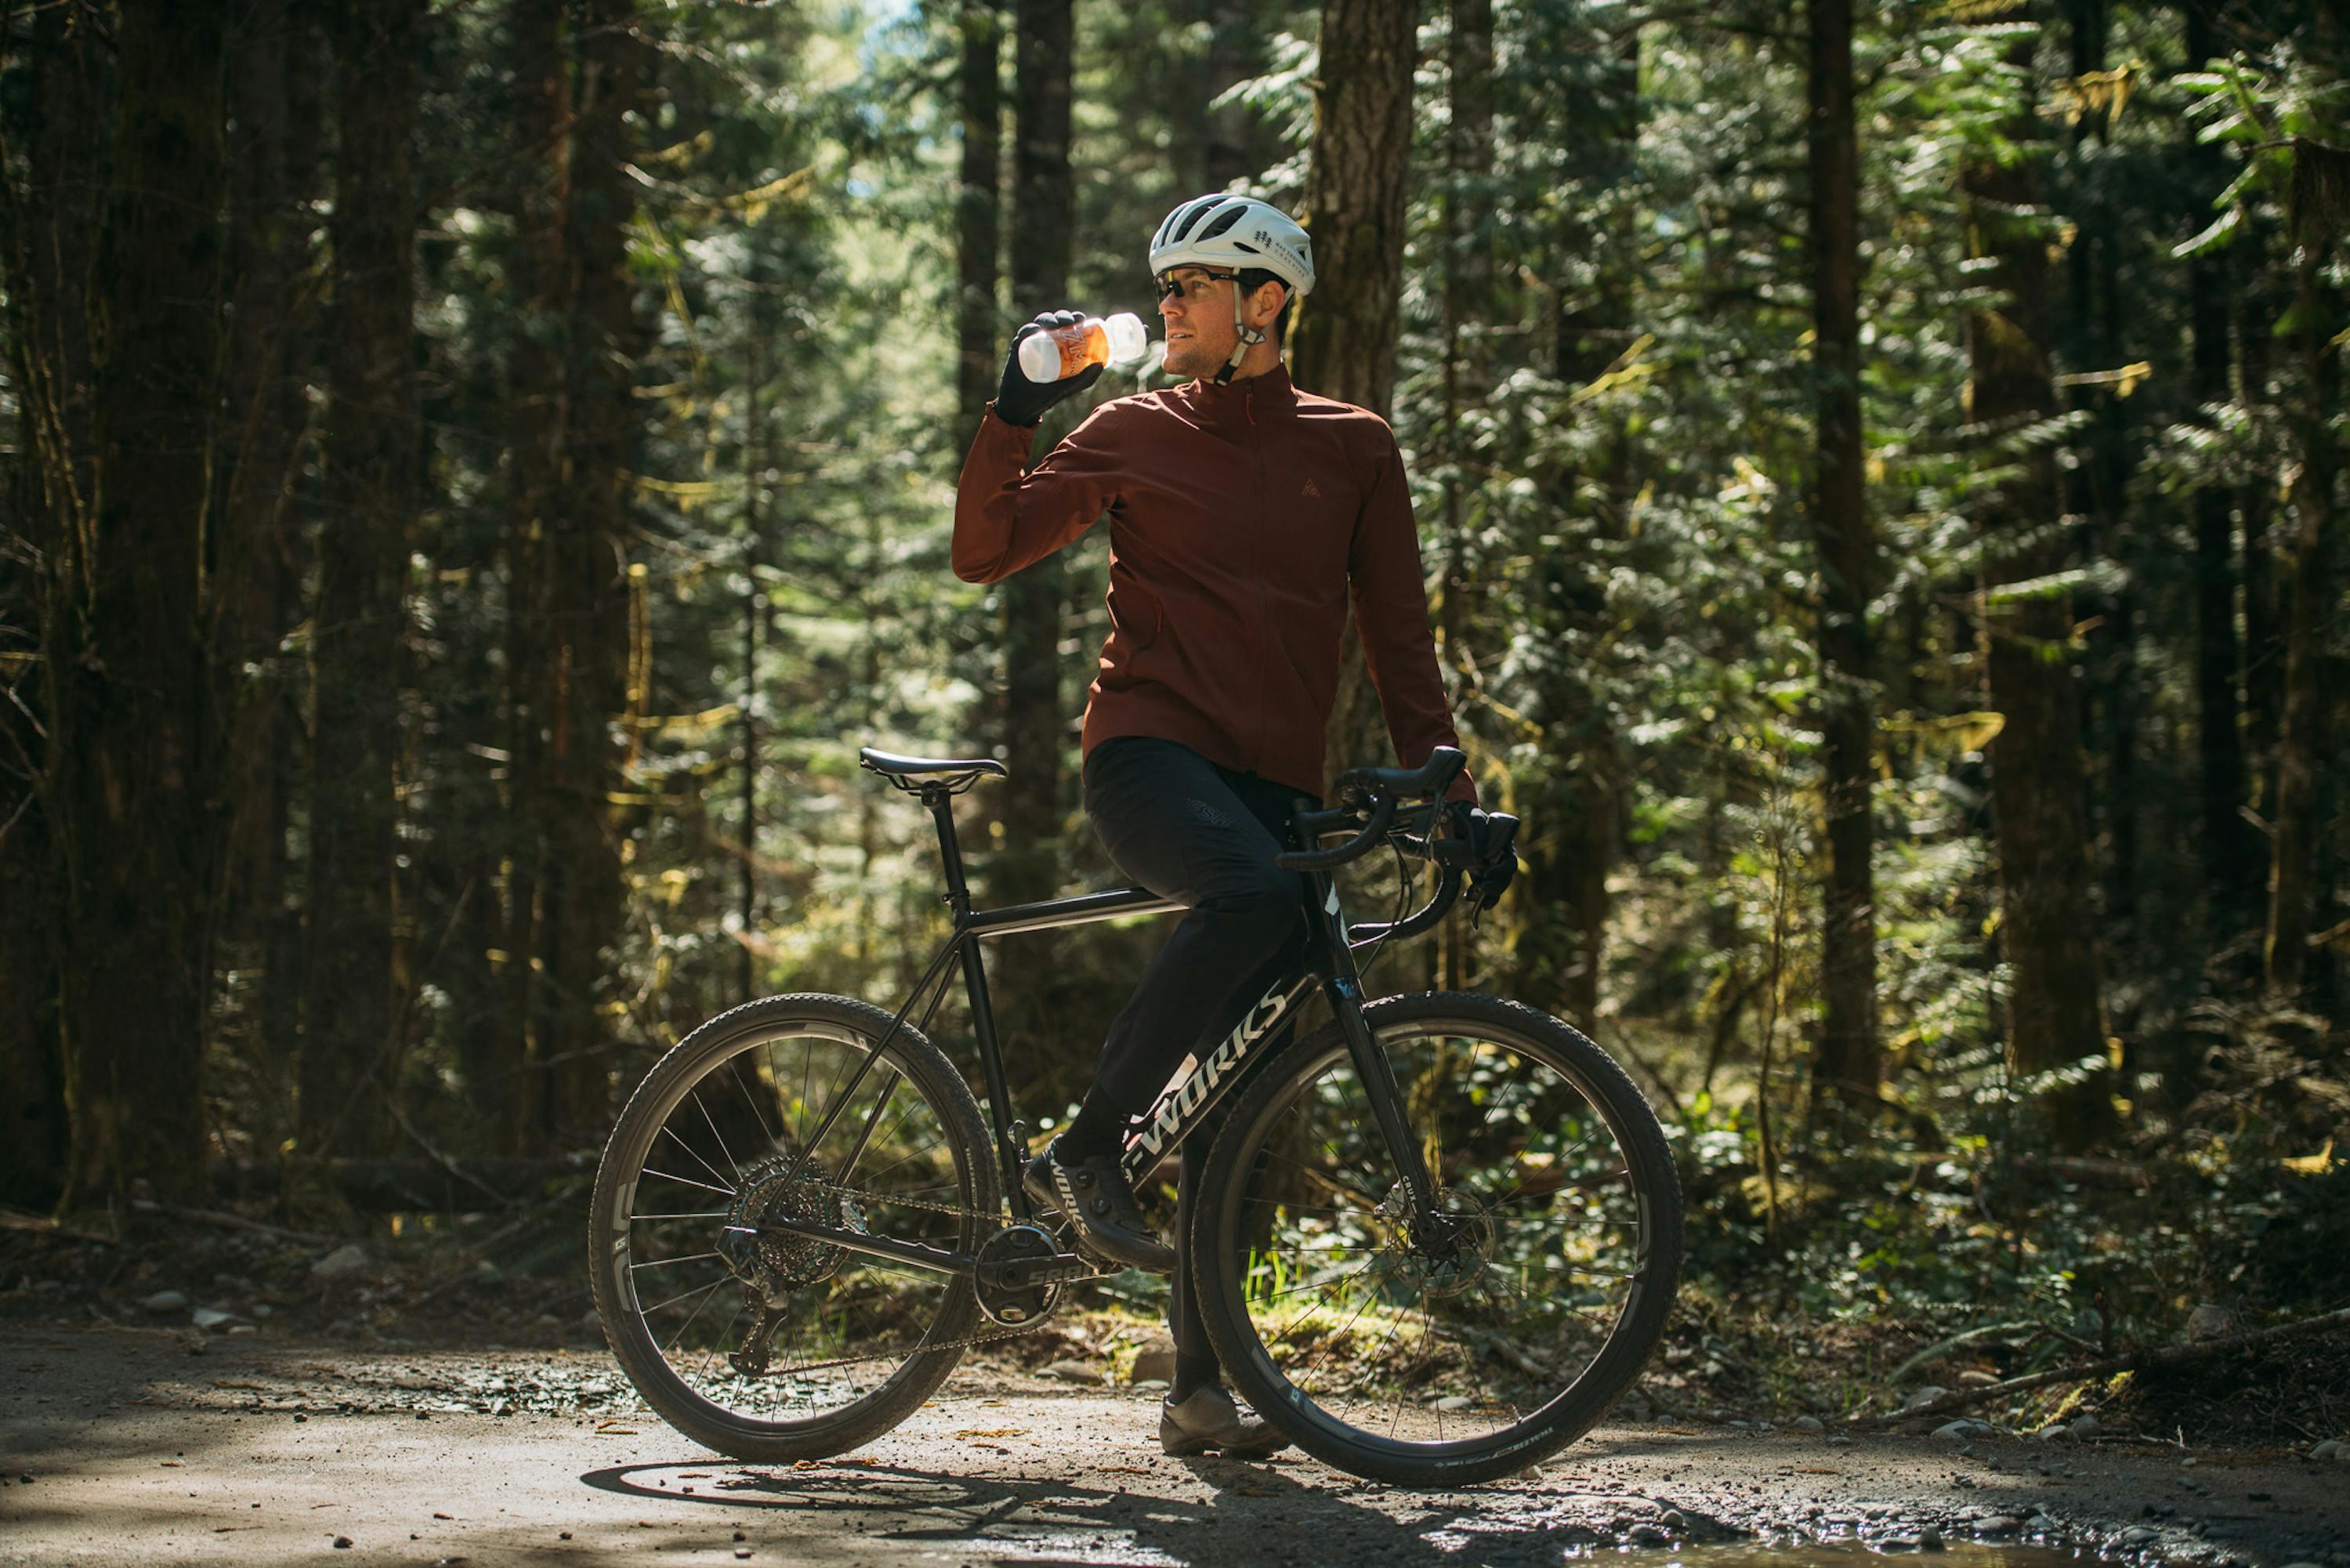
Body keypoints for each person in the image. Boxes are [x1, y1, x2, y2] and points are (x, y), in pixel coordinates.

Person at [951, 194, 1513, 1458]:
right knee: (1254, 897)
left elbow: (1400, 642)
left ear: (1265, 302)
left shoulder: (1355, 446)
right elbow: (984, 552)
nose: (1166, 313)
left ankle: (1198, 1388)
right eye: (1162, 292)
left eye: (1190, 289)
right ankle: (1086, 1149)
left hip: (1277, 790)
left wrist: (1455, 793)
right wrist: (1016, 409)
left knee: (1237, 1082)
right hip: (1148, 756)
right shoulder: (1136, 429)